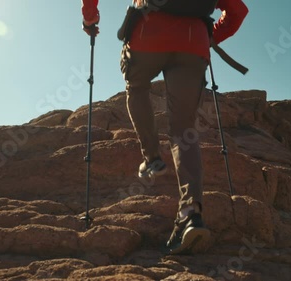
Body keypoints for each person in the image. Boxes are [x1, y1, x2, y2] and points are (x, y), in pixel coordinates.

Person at [82, 0, 248, 254]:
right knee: (184, 130)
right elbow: (238, 11)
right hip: (193, 43)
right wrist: (208, 37)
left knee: (136, 88)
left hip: (148, 35)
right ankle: (191, 214)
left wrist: (90, 18)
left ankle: (151, 158)